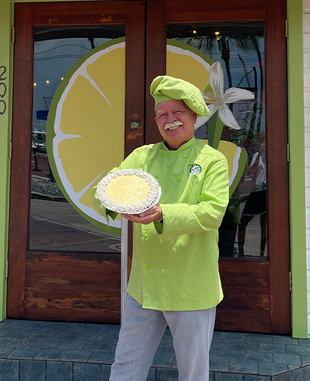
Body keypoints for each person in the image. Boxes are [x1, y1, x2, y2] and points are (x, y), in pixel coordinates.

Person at [93, 75, 229, 381]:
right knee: (126, 366)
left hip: (191, 285)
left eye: (178, 113)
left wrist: (160, 214)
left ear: (194, 116)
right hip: (144, 287)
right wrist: (117, 204)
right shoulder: (142, 156)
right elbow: (106, 189)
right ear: (155, 120)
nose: (170, 121)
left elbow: (212, 213)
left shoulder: (212, 161)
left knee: (192, 373)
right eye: (163, 115)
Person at [237, 142, 266, 257]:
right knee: (243, 222)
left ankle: (263, 254)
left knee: (264, 225)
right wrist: (259, 154)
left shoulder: (274, 155)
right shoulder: (256, 155)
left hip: (267, 191)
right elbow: (252, 171)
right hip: (256, 192)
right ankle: (241, 253)